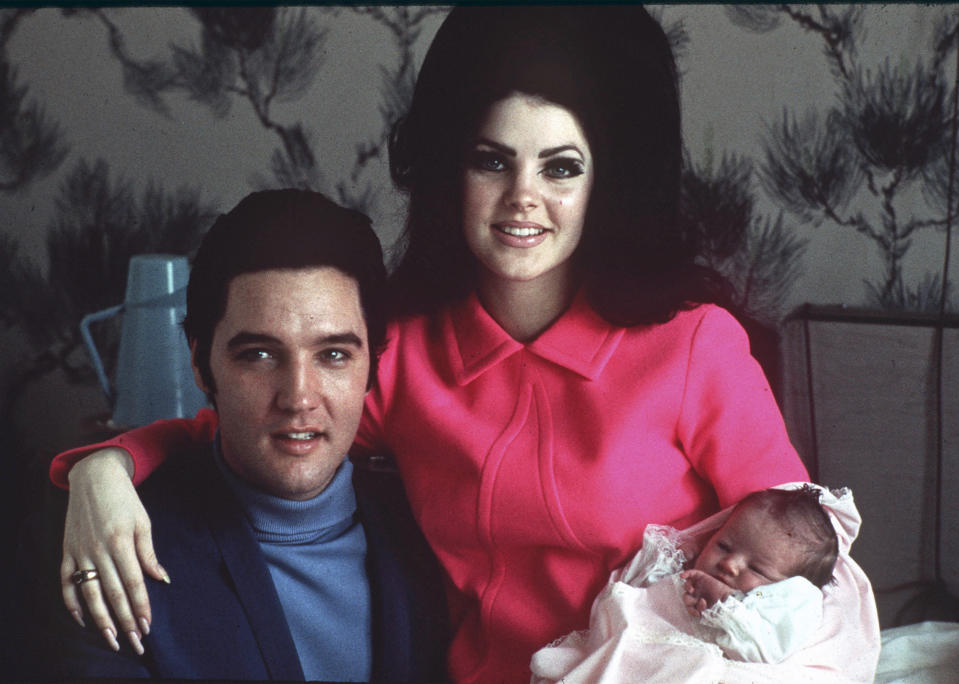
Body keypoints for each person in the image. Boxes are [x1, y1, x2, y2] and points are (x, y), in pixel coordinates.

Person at [47, 6, 880, 682]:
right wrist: (102, 469)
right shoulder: (403, 352)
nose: (522, 199)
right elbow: (255, 421)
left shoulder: (694, 347)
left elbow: (802, 562)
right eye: (492, 161)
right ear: (454, 171)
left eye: (560, 168)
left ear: (606, 181)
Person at [42, 190, 447, 681]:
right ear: (199, 362)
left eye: (334, 354)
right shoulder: (114, 548)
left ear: (372, 366)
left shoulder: (432, 524)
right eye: (259, 354)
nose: (299, 397)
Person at [529, 483, 862, 683]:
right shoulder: (682, 566)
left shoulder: (790, 606)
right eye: (724, 546)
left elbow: (764, 648)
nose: (730, 564)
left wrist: (723, 605)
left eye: (757, 568)